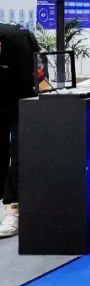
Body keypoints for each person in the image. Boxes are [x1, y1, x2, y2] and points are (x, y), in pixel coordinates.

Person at [0, 22, 39, 239]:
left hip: (20, 97)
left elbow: (39, 78)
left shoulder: (19, 38)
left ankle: (13, 209)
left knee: (19, 152)